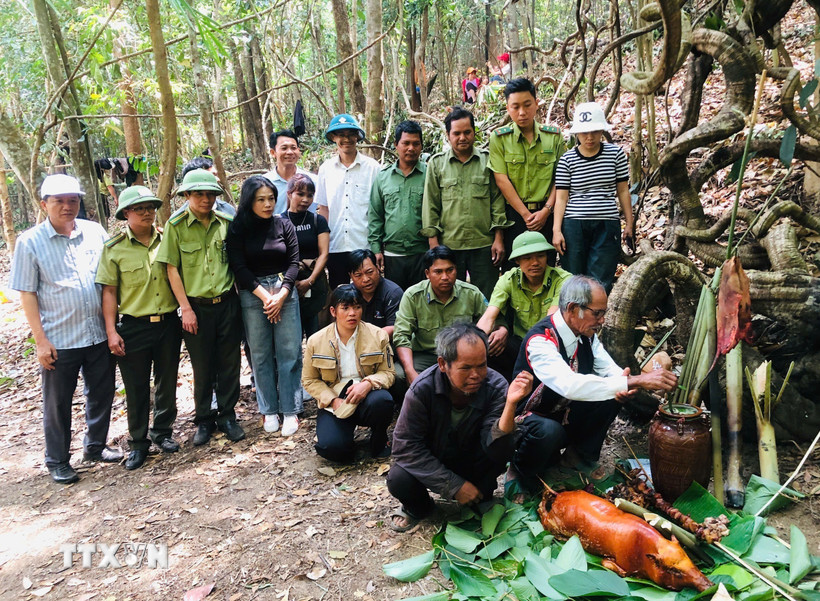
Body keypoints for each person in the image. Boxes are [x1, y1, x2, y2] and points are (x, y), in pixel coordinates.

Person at [506, 275, 677, 498]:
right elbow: (569, 385)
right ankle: (520, 472)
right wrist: (634, 380)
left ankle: (576, 458)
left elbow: (607, 367)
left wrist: (623, 383)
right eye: (597, 313)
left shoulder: (585, 335)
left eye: (603, 313)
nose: (602, 320)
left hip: (564, 412)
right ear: (573, 308)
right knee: (549, 431)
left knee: (613, 392)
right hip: (531, 421)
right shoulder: (541, 340)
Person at [10, 174, 122, 484]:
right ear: (44, 204)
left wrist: (112, 328)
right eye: (59, 201)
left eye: (73, 200)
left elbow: (110, 277)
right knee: (58, 403)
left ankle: (95, 447)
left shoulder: (94, 232)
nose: (67, 206)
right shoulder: (30, 242)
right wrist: (40, 341)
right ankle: (57, 459)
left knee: (101, 393)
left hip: (99, 332)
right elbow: (27, 293)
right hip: (60, 338)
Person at [387, 323, 534, 531]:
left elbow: (498, 449)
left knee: (504, 440)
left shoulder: (496, 386)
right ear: (443, 364)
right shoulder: (422, 389)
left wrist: (511, 404)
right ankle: (419, 508)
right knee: (398, 478)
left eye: (481, 365)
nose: (475, 375)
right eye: (465, 368)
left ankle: (481, 496)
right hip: (435, 459)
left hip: (473, 458)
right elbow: (406, 448)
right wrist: (453, 485)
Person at [156, 169, 245, 446]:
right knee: (202, 365)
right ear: (187, 196)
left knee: (230, 362)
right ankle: (204, 419)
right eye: (199, 194)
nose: (205, 199)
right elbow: (172, 268)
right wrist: (186, 308)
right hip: (197, 306)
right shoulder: (176, 224)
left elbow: (238, 260)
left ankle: (228, 415)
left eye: (210, 194)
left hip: (228, 301)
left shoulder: (227, 220)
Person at [96, 186, 182, 470]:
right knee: (136, 388)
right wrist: (111, 331)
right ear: (126, 214)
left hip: (168, 323)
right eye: (139, 208)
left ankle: (163, 432)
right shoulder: (114, 248)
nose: (146, 212)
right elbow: (109, 292)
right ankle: (138, 442)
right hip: (133, 327)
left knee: (167, 382)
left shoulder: (167, 240)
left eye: (150, 207)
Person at [227, 176, 303, 437]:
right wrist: (264, 296)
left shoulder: (283, 223)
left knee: (290, 351)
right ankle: (269, 409)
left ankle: (291, 409)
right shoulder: (238, 229)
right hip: (253, 293)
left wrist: (281, 294)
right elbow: (238, 267)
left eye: (271, 198)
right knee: (260, 354)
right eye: (261, 199)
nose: (268, 204)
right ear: (249, 201)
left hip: (285, 291)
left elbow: (294, 261)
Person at [421, 107, 510, 300]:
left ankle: (488, 331)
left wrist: (499, 237)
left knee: (488, 297)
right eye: (457, 133)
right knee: (451, 297)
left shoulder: (487, 161)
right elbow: (431, 205)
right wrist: (433, 244)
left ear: (474, 132)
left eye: (467, 132)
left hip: (484, 245)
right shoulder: (436, 164)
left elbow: (497, 201)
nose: (462, 137)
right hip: (449, 246)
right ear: (448, 135)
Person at [302, 285, 396, 463]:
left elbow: (388, 373)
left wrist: (368, 384)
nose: (352, 313)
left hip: (367, 397)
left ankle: (379, 438)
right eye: (345, 308)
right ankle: (345, 441)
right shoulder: (316, 341)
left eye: (357, 307)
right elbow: (309, 379)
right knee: (333, 450)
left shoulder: (378, 335)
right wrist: (332, 400)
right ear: (333, 311)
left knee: (383, 401)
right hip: (336, 401)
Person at [553, 102, 634, 293]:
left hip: (606, 222)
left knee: (601, 277)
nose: (589, 137)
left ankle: (596, 319)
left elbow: (623, 190)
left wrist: (629, 223)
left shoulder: (615, 155)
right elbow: (561, 197)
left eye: (595, 131)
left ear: (602, 131)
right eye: (584, 132)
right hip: (574, 224)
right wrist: (557, 230)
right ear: (577, 133)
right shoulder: (567, 160)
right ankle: (574, 319)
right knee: (573, 276)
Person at [489, 78, 565, 269]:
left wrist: (546, 211)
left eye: (527, 105)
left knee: (545, 269)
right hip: (514, 218)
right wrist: (525, 215)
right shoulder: (499, 138)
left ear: (537, 104)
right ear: (508, 108)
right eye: (515, 107)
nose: (522, 112)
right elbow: (501, 179)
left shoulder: (553, 137)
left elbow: (562, 178)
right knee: (514, 272)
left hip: (547, 216)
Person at [477, 231, 571, 381]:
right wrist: (475, 344)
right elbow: (489, 316)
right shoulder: (509, 279)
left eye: (540, 256)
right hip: (521, 345)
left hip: (552, 345)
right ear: (517, 261)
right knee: (489, 346)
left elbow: (549, 323)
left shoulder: (563, 280)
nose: (535, 262)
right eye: (527, 258)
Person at [393, 246, 488, 384]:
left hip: (462, 355)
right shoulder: (413, 295)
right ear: (427, 273)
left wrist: (501, 329)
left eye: (450, 270)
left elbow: (491, 320)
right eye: (438, 272)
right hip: (426, 355)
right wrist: (410, 371)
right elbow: (401, 335)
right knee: (398, 376)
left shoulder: (471, 293)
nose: (445, 277)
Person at [316, 114, 381, 289]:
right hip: (336, 245)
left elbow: (379, 209)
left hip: (364, 243)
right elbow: (324, 209)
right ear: (333, 138)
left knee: (368, 290)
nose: (346, 139)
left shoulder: (373, 167)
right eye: (341, 135)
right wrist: (324, 246)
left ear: (357, 136)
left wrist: (378, 246)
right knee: (340, 293)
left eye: (351, 134)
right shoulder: (325, 169)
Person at [368, 120, 428, 290]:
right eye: (406, 143)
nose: (411, 148)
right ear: (396, 144)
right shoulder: (383, 178)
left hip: (422, 253)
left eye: (416, 144)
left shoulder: (430, 174)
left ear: (421, 146)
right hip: (392, 255)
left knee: (422, 301)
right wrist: (376, 249)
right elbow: (375, 215)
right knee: (396, 301)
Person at [284, 174, 329, 339]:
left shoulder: (318, 221)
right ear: (289, 194)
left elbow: (324, 254)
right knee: (291, 338)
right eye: (300, 194)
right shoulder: (279, 221)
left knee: (316, 335)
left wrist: (309, 281)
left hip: (315, 284)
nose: (305, 199)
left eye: (310, 195)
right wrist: (290, 282)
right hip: (288, 286)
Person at [347, 249, 404, 338]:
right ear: (351, 276)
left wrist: (367, 339)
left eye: (369, 272)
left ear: (377, 267)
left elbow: (394, 327)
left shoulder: (393, 293)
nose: (365, 279)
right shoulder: (348, 293)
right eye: (358, 275)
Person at [263, 129, 317, 214]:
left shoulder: (313, 181)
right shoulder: (264, 183)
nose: (290, 152)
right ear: (273, 152)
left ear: (298, 151)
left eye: (293, 148)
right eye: (284, 148)